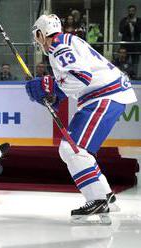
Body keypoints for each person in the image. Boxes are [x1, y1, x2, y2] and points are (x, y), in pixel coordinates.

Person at [27, 14, 137, 224]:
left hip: (104, 95)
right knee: (73, 149)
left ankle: (97, 199)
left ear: (42, 33)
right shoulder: (66, 42)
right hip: (102, 96)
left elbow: (81, 77)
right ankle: (105, 197)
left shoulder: (59, 47)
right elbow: (76, 79)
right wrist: (56, 94)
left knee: (73, 149)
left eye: (37, 35)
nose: (36, 40)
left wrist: (48, 86)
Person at [119, 5, 141, 74]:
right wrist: (127, 23)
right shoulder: (124, 20)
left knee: (135, 62)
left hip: (135, 45)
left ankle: (134, 76)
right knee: (125, 61)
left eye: (133, 11)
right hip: (126, 45)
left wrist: (134, 24)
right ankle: (124, 75)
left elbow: (140, 30)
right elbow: (121, 30)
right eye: (130, 11)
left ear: (135, 11)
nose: (131, 12)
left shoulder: (139, 20)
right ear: (128, 12)